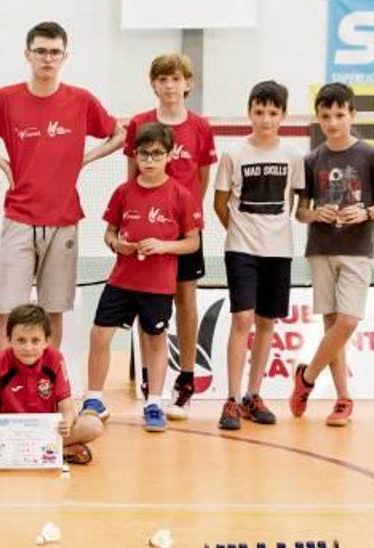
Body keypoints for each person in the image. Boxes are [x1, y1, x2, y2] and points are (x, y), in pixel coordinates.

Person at [0, 21, 124, 353]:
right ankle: (3, 385)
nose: (48, 59)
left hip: (64, 221)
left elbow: (118, 134)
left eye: (55, 52)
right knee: (8, 311)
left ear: (65, 56)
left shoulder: (81, 100)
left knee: (53, 312)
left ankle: (48, 382)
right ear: (28, 54)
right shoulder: (6, 99)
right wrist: (2, 162)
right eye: (41, 51)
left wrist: (87, 158)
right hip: (19, 219)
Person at [90, 53, 217, 421]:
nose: (170, 86)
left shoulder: (200, 126)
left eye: (176, 79)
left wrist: (182, 219)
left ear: (188, 83)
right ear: (153, 83)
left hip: (180, 230)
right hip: (143, 235)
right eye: (162, 79)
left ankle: (186, 380)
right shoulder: (140, 124)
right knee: (149, 307)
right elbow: (133, 178)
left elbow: (202, 179)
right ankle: (151, 390)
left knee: (185, 303)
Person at [85, 123, 202, 432]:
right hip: (122, 279)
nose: (149, 160)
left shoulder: (181, 195)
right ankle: (94, 398)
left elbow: (193, 242)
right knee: (99, 335)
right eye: (144, 154)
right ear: (135, 155)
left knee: (155, 339)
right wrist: (116, 244)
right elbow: (109, 232)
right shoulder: (123, 192)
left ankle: (154, 403)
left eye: (157, 154)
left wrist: (164, 245)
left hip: (158, 284)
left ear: (168, 156)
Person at [290, 83, 374, 427]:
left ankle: (306, 377)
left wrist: (365, 212)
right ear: (318, 118)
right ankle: (343, 399)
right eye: (325, 116)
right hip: (321, 249)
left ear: (352, 114)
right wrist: (315, 213)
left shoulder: (370, 156)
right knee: (332, 325)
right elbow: (300, 212)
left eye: (339, 114)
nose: (333, 122)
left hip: (357, 250)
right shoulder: (311, 160)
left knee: (348, 322)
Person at [212, 80, 305, 430]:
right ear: (249, 112)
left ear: (283, 115)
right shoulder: (234, 154)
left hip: (279, 253)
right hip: (241, 250)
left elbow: (298, 201)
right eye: (259, 111)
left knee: (267, 323)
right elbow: (220, 204)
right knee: (242, 319)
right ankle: (232, 400)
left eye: (272, 113)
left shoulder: (294, 156)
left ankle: (253, 395)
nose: (265, 119)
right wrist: (240, 231)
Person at [0, 304, 105, 462]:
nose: (28, 347)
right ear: (9, 339)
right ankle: (60, 452)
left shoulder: (55, 359)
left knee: (93, 425)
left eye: (35, 340)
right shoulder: (0, 362)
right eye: (21, 340)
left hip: (46, 431)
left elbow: (67, 409)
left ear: (47, 341)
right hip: (9, 434)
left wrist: (66, 422)